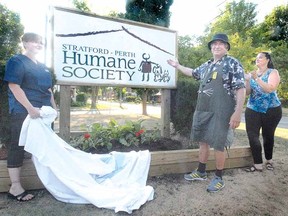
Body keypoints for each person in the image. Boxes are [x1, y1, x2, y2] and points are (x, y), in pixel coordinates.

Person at [167, 33, 246, 192]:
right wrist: (177, 65)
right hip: (203, 109)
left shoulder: (232, 63)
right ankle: (201, 172)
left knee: (218, 144)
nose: (216, 46)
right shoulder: (208, 65)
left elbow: (241, 88)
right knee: (203, 140)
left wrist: (237, 113)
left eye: (220, 44)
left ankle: (218, 177)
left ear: (226, 47)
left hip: (221, 110)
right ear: (211, 47)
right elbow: (192, 72)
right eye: (214, 44)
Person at [4, 32, 57, 201]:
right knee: (17, 146)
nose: (39, 45)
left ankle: (49, 182)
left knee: (46, 147)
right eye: (35, 41)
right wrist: (29, 108)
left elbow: (48, 91)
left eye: (41, 42)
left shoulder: (43, 67)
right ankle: (15, 187)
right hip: (24, 112)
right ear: (25, 43)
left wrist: (54, 111)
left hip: (44, 114)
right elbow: (14, 86)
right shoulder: (16, 61)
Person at [244, 52, 282, 172]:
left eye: (260, 57)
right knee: (252, 135)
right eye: (256, 58)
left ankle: (269, 160)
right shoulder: (253, 74)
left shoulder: (273, 72)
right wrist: (247, 80)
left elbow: (269, 89)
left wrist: (256, 78)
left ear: (268, 59)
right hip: (252, 109)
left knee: (268, 136)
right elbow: (248, 92)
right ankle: (258, 164)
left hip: (271, 110)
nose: (257, 59)